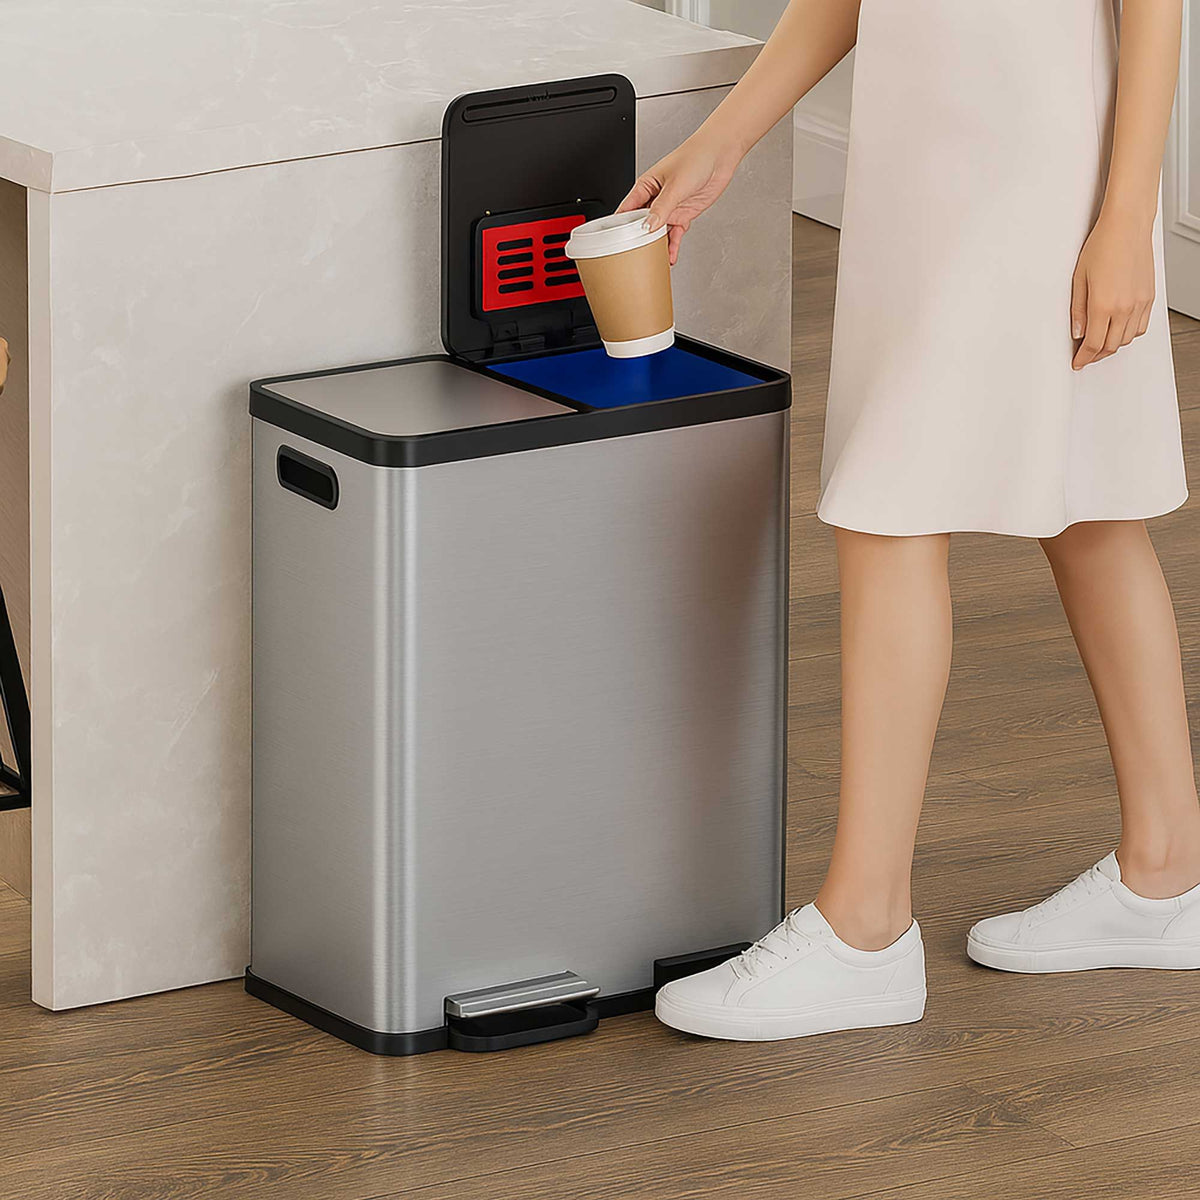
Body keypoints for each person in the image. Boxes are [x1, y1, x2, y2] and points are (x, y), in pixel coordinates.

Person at [636, 0, 1199, 1043]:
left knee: (890, 499)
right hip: (920, 156)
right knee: (1085, 502)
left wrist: (1127, 216)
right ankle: (1165, 873)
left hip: (1039, 159)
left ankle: (865, 929)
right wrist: (726, 136)